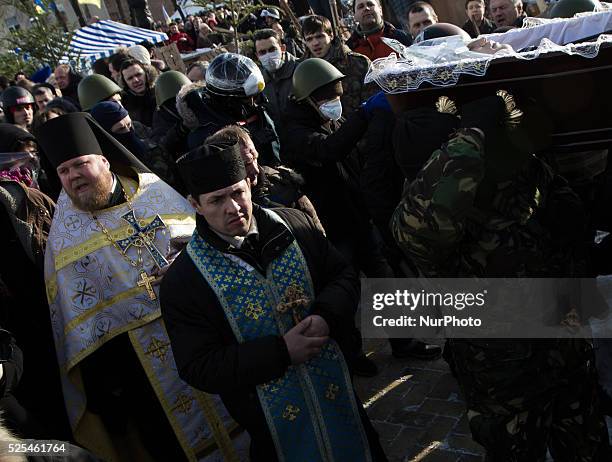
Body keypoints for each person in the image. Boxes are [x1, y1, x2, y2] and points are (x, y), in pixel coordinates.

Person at [391, 94, 610, 459]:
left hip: (567, 353)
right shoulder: (419, 219)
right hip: (506, 378)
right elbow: (428, 222)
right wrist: (472, 132)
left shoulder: (511, 177)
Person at [35, 112, 247, 462]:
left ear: (103, 160)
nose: (73, 176)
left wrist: (188, 274)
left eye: (80, 164)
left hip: (207, 335)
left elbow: (212, 246)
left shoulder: (154, 196)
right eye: (64, 171)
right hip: (138, 371)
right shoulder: (65, 238)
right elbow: (78, 327)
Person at [160, 138, 388, 461]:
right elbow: (198, 366)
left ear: (249, 184)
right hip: (271, 429)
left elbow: (344, 276)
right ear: (195, 204)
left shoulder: (295, 225)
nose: (233, 207)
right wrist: (280, 352)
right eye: (216, 200)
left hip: (340, 400)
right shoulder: (184, 281)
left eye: (238, 192)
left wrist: (326, 315)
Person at [0, 124, 70, 438]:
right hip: (22, 333)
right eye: (18, 158)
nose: (28, 164)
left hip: (53, 313)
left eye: (32, 154)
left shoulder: (33, 196)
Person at [177, 53, 281, 166]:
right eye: (246, 99)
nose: (253, 103)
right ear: (225, 99)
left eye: (255, 96)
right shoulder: (206, 137)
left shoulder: (255, 110)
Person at [302, 15, 375, 115]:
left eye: (320, 36)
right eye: (309, 39)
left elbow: (374, 101)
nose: (315, 43)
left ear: (331, 35)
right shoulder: (303, 72)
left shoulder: (358, 62)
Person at [254, 28, 299, 133]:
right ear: (257, 56)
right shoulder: (258, 81)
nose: (268, 55)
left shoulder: (300, 70)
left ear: (282, 48)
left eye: (272, 50)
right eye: (262, 52)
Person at [346, 0, 412, 60]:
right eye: (360, 7)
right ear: (354, 16)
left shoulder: (402, 38)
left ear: (380, 10)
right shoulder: (349, 49)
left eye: (370, 4)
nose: (366, 8)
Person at [119, 58, 158, 127]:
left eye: (138, 74)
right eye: (130, 78)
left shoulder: (160, 92)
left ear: (146, 74)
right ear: (125, 82)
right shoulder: (125, 106)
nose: (136, 80)